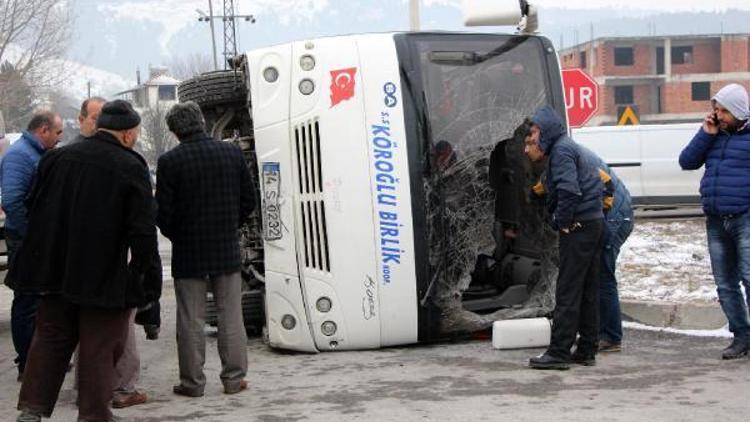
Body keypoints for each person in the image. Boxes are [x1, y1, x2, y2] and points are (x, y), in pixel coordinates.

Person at [12, 100, 160, 422]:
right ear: (127, 134)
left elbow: (32, 205)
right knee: (99, 348)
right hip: (102, 277)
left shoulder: (56, 158)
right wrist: (142, 277)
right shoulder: (129, 164)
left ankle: (32, 410)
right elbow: (143, 231)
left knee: (50, 338)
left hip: (54, 271)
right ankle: (94, 415)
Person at [156, 101, 254, 397]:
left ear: (174, 131)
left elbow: (163, 215)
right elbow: (248, 201)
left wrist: (180, 235)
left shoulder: (169, 162)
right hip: (226, 249)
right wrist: (229, 226)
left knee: (190, 319)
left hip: (189, 252)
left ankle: (193, 383)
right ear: (201, 121)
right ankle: (234, 380)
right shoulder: (231, 153)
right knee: (231, 315)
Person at [523, 106, 605, 370]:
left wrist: (563, 221)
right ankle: (586, 349)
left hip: (580, 226)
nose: (532, 138)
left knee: (568, 289)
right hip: (594, 223)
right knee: (587, 288)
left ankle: (558, 352)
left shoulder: (561, 151)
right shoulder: (566, 147)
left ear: (546, 131)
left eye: (535, 131)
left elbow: (569, 190)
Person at [679, 83, 750, 360]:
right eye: (716, 109)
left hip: (745, 216)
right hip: (716, 220)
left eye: (724, 110)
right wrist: (704, 134)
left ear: (738, 111)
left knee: (748, 277)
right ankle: (741, 336)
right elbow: (686, 161)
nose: (718, 115)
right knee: (725, 283)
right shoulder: (713, 135)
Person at [0, 111, 63, 381]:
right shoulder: (20, 155)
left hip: (35, 239)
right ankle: (27, 362)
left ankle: (38, 359)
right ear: (44, 130)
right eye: (58, 133)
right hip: (24, 240)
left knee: (39, 301)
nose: (60, 139)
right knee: (26, 301)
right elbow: (12, 200)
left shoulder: (34, 153)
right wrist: (32, 234)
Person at [584, 147, 633, 353]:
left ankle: (611, 337)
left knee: (603, 276)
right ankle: (599, 332)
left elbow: (606, 185)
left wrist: (601, 216)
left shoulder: (566, 156)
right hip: (612, 215)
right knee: (595, 275)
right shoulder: (566, 153)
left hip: (614, 218)